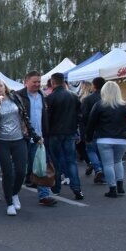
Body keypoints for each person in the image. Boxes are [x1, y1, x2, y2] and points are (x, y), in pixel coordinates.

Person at [0, 79, 40, 216]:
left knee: (21, 171)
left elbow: (25, 118)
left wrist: (35, 136)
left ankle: (14, 193)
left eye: (0, 86)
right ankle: (9, 203)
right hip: (1, 142)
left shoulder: (15, 98)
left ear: (5, 87)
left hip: (19, 140)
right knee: (8, 172)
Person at [15, 71, 57, 206]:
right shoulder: (18, 96)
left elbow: (46, 117)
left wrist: (46, 133)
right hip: (21, 137)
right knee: (19, 168)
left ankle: (44, 195)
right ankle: (13, 194)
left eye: (39, 82)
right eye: (34, 82)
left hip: (38, 138)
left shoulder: (43, 96)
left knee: (41, 166)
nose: (37, 84)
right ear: (26, 81)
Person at [86, 82, 126, 198]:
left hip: (104, 139)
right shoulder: (125, 106)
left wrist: (88, 137)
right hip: (122, 139)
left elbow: (91, 123)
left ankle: (112, 189)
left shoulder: (99, 105)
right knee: (118, 161)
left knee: (108, 164)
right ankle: (120, 187)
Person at [45, 72, 84, 200]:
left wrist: (46, 132)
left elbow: (47, 118)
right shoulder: (73, 96)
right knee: (71, 161)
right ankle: (77, 188)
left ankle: (56, 188)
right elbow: (80, 115)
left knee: (55, 161)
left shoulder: (50, 98)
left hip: (54, 133)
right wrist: (76, 129)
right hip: (70, 132)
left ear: (53, 82)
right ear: (63, 81)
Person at [80, 77, 105, 183]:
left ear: (94, 85)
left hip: (91, 128)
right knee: (102, 153)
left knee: (91, 150)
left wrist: (84, 131)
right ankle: (102, 174)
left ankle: (98, 169)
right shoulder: (107, 98)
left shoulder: (88, 99)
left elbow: (84, 116)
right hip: (104, 129)